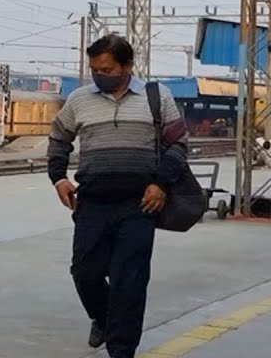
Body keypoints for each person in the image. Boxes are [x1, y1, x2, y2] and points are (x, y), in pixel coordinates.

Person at [47, 35, 188, 358]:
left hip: (139, 204)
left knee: (130, 281)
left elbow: (178, 145)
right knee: (85, 272)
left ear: (127, 66)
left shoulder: (156, 97)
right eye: (95, 69)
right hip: (91, 202)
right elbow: (58, 138)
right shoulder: (80, 99)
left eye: (107, 68)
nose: (99, 74)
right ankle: (102, 316)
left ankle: (121, 351)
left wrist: (160, 184)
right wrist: (58, 179)